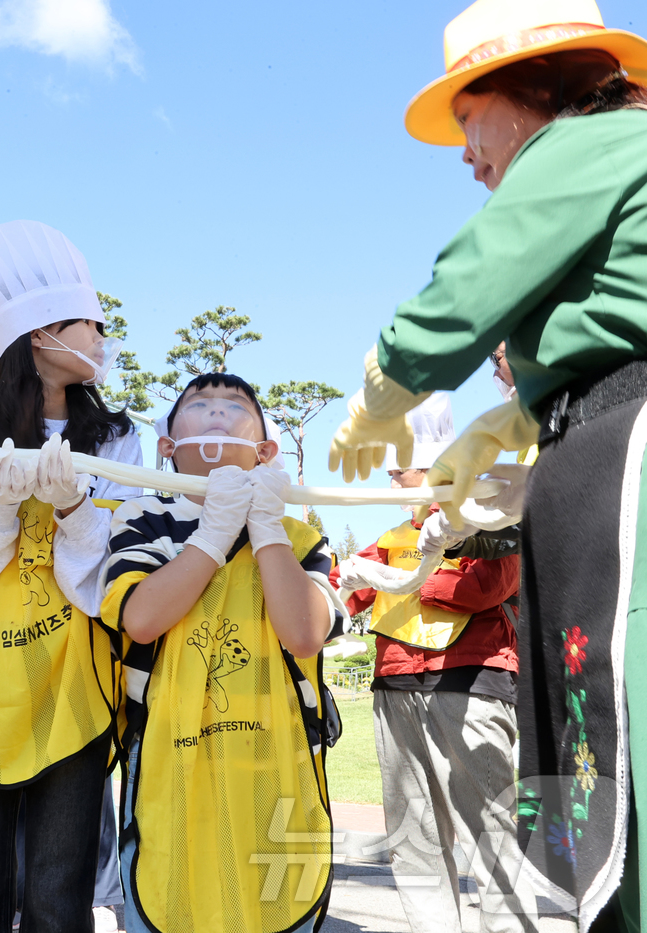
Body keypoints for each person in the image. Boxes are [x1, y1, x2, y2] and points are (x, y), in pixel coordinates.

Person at [324, 0, 647, 925]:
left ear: (531, 90)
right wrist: (516, 416)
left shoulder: (592, 138)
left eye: (469, 121)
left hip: (624, 454)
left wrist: (383, 387)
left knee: (618, 739)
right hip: (587, 439)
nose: (467, 154)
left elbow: (471, 282)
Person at [0, 219, 139, 933]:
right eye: (90, 320)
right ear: (41, 334)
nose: (102, 333)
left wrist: (75, 507)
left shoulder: (117, 442)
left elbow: (110, 582)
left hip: (77, 688)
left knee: (59, 896)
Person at [103, 373, 342, 933]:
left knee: (278, 909)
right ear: (167, 446)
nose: (216, 413)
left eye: (235, 407)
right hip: (170, 765)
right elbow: (140, 620)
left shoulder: (296, 536)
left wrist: (264, 529)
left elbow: (304, 634)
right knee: (173, 901)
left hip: (278, 771)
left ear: (266, 450)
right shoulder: (142, 520)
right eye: (200, 405)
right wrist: (211, 535)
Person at [333, 394, 534, 932]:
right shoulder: (391, 539)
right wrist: (349, 576)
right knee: (413, 835)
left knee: (489, 828)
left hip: (471, 683)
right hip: (395, 687)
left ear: (432, 471)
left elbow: (488, 585)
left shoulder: (488, 517)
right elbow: (338, 594)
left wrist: (415, 575)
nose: (392, 481)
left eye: (400, 473)